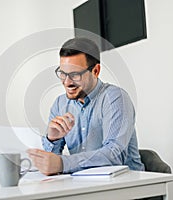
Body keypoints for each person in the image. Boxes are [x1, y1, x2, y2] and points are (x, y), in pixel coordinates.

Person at [27, 37, 144, 175]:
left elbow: (114, 156)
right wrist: (52, 139)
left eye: (75, 74)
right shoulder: (60, 104)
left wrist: (63, 163)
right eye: (63, 74)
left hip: (127, 185)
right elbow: (50, 164)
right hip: (82, 184)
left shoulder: (115, 98)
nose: (67, 82)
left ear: (95, 71)